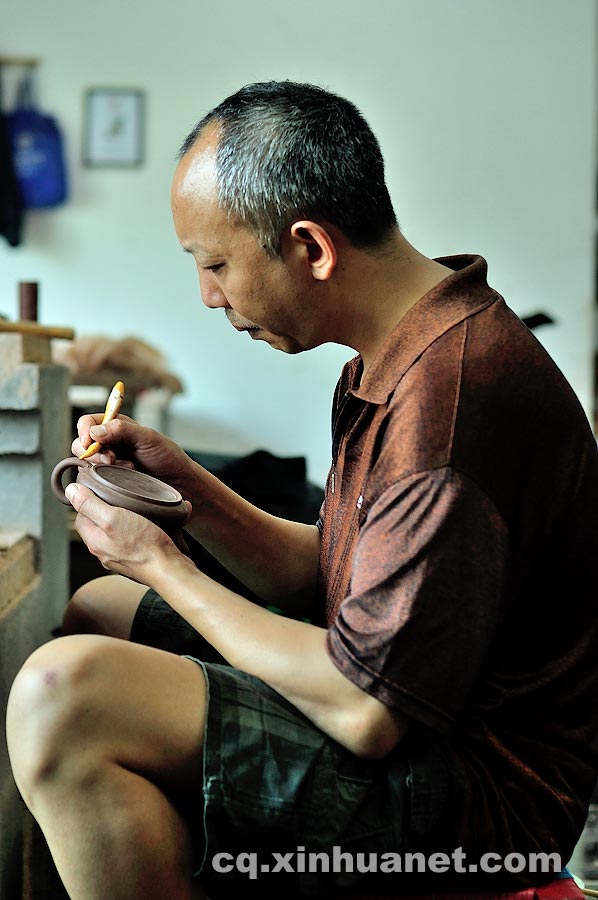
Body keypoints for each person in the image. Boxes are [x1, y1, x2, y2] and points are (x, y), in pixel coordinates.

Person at [6, 81, 598, 900]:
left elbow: (367, 709)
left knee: (63, 697)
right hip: (416, 715)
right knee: (102, 612)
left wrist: (163, 565)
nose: (209, 296)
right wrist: (185, 484)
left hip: (482, 803)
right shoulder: (401, 348)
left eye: (214, 264)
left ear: (311, 247)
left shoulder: (446, 409)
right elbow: (334, 569)